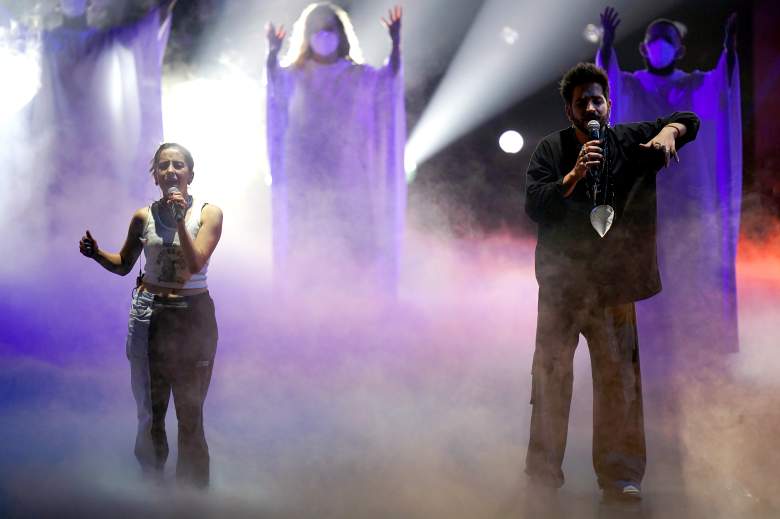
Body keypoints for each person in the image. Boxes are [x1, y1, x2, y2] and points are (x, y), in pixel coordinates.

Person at [524, 62, 699, 500]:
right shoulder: (551, 149)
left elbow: (690, 119)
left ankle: (621, 476)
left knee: (618, 381)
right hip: (563, 287)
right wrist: (574, 175)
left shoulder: (626, 140)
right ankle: (543, 474)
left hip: (613, 287)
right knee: (551, 377)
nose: (590, 107)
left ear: (609, 104)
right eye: (581, 101)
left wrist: (668, 134)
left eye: (597, 100)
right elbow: (535, 204)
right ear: (569, 110)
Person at [597, 8, 741, 362]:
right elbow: (607, 81)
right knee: (644, 269)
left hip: (689, 200)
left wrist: (730, 49)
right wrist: (606, 45)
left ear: (680, 49)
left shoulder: (695, 84)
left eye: (669, 39)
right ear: (645, 50)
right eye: (654, 40)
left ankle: (698, 351)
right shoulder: (630, 84)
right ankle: (645, 347)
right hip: (645, 199)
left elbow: (723, 83)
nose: (661, 45)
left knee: (688, 271)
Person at [79, 143, 223, 488]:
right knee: (152, 411)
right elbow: (125, 266)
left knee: (190, 414)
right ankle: (154, 491)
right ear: (155, 175)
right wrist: (97, 254)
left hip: (192, 316)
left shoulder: (208, 214)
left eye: (178, 164)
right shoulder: (143, 217)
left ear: (190, 173)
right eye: (163, 166)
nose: (171, 170)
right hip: (152, 315)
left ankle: (191, 498)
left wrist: (178, 220)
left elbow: (196, 263)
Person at [266, 3, 405, 294]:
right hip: (305, 170)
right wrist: (271, 53)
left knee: (353, 234)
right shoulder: (297, 73)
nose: (323, 36)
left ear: (340, 34)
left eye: (329, 29)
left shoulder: (354, 73)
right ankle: (307, 295)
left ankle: (355, 297)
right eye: (318, 29)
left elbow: (387, 81)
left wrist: (396, 43)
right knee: (307, 235)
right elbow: (276, 85)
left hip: (347, 171)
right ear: (307, 34)